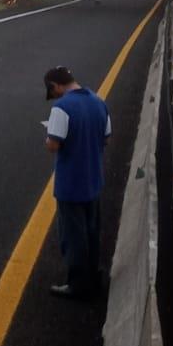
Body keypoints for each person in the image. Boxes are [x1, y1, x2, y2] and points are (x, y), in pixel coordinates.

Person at [43, 65, 111, 299]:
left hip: (71, 183)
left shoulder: (61, 108)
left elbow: (54, 144)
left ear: (56, 86)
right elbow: (106, 137)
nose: (54, 96)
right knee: (92, 231)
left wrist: (49, 135)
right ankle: (93, 278)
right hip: (94, 180)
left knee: (73, 235)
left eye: (52, 92)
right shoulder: (99, 102)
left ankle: (78, 285)